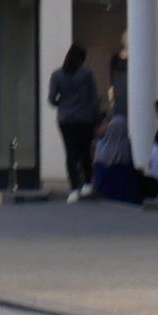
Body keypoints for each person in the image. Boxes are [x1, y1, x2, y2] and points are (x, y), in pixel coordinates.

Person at [48, 44, 102, 202]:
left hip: (66, 119)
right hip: (85, 119)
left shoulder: (57, 75)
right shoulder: (87, 74)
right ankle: (86, 184)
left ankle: (73, 189)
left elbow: (51, 99)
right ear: (81, 59)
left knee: (70, 152)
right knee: (85, 151)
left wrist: (63, 105)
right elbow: (93, 98)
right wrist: (97, 117)